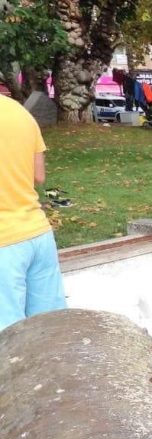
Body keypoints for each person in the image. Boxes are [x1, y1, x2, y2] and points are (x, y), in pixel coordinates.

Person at [0, 95, 66, 331]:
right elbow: (38, 176)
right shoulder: (19, 112)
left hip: (4, 243)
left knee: (7, 341)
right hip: (37, 234)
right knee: (50, 331)